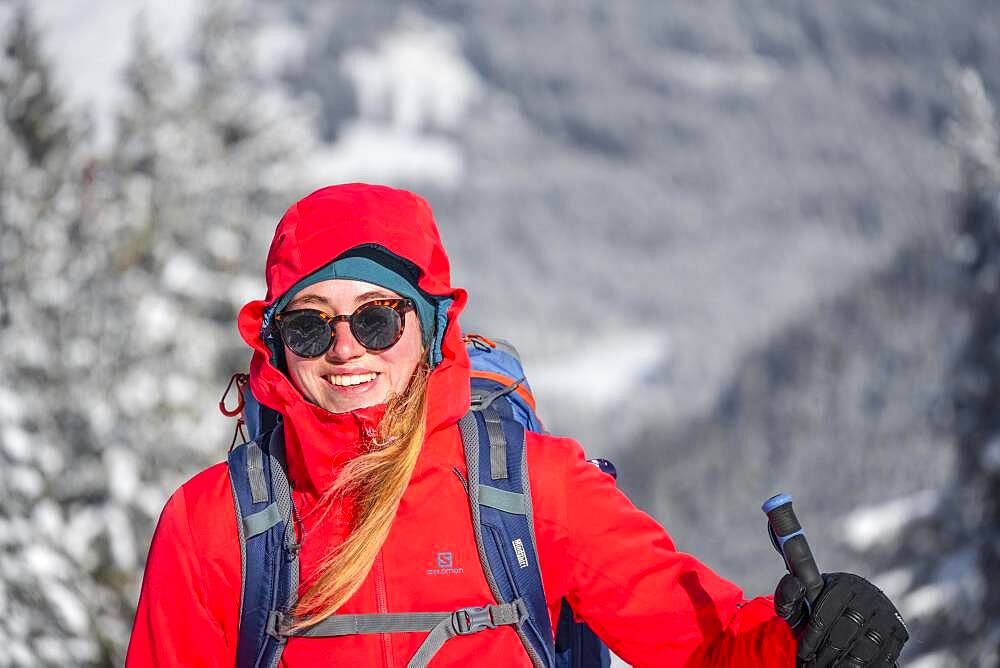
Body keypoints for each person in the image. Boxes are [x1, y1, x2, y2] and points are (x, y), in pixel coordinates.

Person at [126, 183, 908, 667]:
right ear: (275, 347)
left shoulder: (531, 487)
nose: (342, 349)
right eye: (308, 325)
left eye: (375, 319)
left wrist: (805, 640)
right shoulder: (213, 526)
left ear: (432, 330)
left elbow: (703, 644)